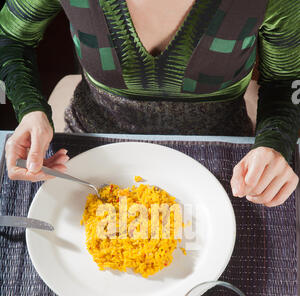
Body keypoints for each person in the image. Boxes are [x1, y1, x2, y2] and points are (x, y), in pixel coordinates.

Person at [0, 0, 299, 207]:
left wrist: (276, 142)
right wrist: (31, 110)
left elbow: (290, 79)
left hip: (226, 156)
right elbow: (10, 38)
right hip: (88, 147)